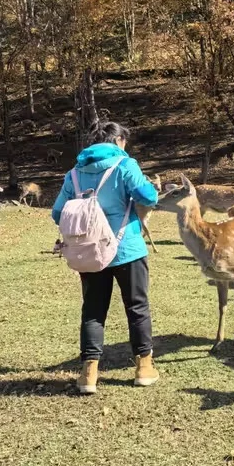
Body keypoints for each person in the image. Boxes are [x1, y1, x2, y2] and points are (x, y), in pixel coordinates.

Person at [52, 120, 160, 393]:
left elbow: (58, 213)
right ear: (119, 141)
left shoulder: (74, 173)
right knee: (137, 307)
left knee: (93, 310)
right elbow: (148, 197)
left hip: (90, 253)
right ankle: (144, 367)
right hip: (127, 249)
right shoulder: (125, 165)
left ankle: (89, 373)